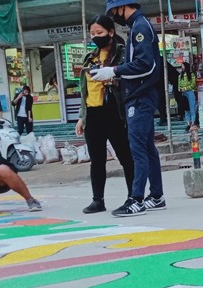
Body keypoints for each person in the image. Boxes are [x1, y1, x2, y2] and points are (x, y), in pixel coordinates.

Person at [91, 0, 166, 216]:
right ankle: (157, 195)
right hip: (139, 95)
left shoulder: (140, 27)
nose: (114, 16)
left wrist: (114, 71)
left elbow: (145, 64)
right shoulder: (137, 26)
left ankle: (136, 200)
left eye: (114, 11)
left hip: (140, 97)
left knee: (138, 150)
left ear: (123, 7)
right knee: (148, 148)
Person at [75, 14, 136, 215]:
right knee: (97, 160)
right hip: (92, 114)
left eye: (99, 32)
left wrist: (112, 79)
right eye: (92, 33)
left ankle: (133, 196)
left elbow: (131, 80)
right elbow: (84, 90)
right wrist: (81, 117)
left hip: (113, 112)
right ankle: (97, 200)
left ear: (110, 32)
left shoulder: (122, 53)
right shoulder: (89, 57)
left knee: (125, 157)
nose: (95, 36)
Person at [156, 60, 189, 126]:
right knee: (177, 97)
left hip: (169, 81)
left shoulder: (157, 61)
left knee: (161, 100)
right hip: (170, 80)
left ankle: (166, 118)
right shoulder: (159, 60)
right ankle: (180, 114)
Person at [179, 61, 197, 129]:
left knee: (192, 109)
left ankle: (192, 123)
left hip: (190, 93)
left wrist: (185, 88)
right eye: (181, 66)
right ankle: (188, 124)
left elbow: (193, 85)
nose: (182, 67)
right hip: (184, 94)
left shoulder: (191, 75)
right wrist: (181, 89)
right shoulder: (180, 76)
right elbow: (179, 86)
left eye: (183, 66)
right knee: (186, 110)